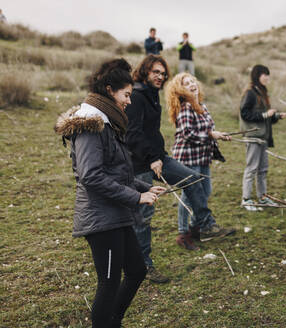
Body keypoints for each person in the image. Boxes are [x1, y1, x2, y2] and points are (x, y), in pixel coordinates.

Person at [54, 58, 166, 327]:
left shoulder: (107, 123)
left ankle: (112, 321)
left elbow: (118, 173)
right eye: (126, 95)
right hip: (100, 218)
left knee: (137, 270)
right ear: (109, 90)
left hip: (115, 213)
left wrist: (144, 187)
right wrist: (136, 197)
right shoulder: (90, 126)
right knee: (109, 281)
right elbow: (92, 176)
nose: (129, 101)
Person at [125, 55, 235, 268]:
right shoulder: (137, 96)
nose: (160, 76)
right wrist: (152, 158)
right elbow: (133, 134)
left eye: (163, 73)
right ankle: (142, 265)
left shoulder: (151, 94)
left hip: (159, 156)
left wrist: (159, 155)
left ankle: (206, 225)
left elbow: (152, 132)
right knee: (144, 214)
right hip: (139, 163)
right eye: (156, 72)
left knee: (193, 179)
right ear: (145, 71)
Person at [166, 73, 231, 250]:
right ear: (180, 90)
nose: (192, 85)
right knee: (188, 196)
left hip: (202, 156)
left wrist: (218, 135)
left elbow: (210, 129)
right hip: (188, 156)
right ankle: (183, 233)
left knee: (205, 191)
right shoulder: (186, 107)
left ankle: (196, 227)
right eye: (186, 84)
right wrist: (210, 135)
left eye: (193, 81)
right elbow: (188, 133)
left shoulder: (201, 106)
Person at [239, 64, 286, 211]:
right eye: (264, 74)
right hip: (253, 136)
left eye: (268, 75)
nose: (267, 77)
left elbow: (265, 116)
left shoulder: (262, 92)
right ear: (257, 76)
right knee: (252, 168)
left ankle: (262, 197)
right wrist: (266, 114)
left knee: (263, 169)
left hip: (263, 137)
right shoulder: (250, 93)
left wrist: (277, 116)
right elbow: (245, 113)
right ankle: (246, 199)